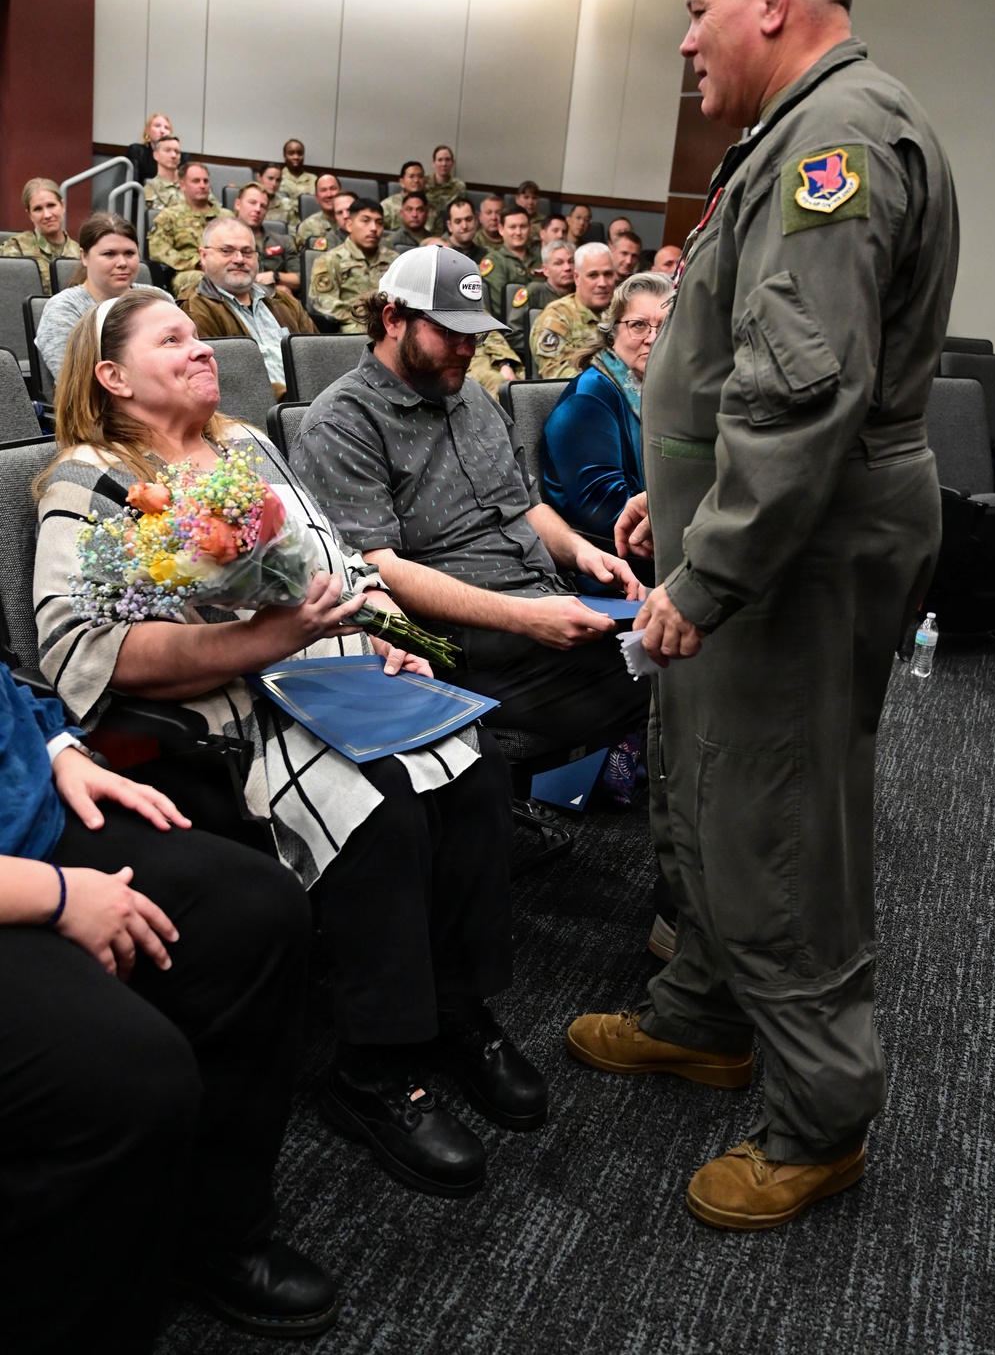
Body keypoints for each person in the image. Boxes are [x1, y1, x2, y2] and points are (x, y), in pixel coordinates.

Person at [566, 0, 959, 1231]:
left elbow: (801, 398)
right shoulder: (793, 133)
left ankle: (820, 1116)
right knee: (711, 780)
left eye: (696, 6)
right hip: (759, 534)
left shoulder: (835, 145)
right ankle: (706, 1012)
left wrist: (710, 563)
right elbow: (738, 367)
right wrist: (667, 500)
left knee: (779, 817)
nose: (685, 37)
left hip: (799, 549)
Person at [34, 288, 546, 1200]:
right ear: (111, 377)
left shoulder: (245, 445)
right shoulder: (93, 477)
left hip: (340, 673)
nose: (204, 351)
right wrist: (257, 641)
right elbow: (82, 649)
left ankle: (458, 1010)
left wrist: (396, 634)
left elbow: (341, 564)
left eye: (200, 336)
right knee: (381, 796)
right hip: (234, 712)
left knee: (478, 765)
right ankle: (375, 1067)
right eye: (175, 339)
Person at [0, 662, 337, 1349]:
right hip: (20, 878)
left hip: (24, 824)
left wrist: (56, 748)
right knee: (128, 1078)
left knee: (255, 912)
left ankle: (213, 1236)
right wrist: (55, 896)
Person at [291, 245, 649, 751]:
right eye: (450, 333)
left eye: (474, 335)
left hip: (545, 600)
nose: (467, 349)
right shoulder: (344, 422)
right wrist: (525, 616)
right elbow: (376, 569)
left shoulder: (469, 394)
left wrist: (585, 553)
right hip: (463, 639)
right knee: (660, 674)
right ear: (393, 319)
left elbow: (527, 505)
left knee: (671, 646)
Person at [541, 272, 670, 572]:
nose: (652, 337)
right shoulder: (589, 398)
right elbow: (606, 513)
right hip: (610, 565)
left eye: (664, 326)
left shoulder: (663, 389)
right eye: (638, 325)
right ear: (612, 333)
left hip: (664, 550)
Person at [182, 217, 316, 395]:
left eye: (247, 252)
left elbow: (317, 357)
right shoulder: (194, 310)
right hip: (259, 413)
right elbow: (229, 383)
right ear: (204, 256)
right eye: (227, 251)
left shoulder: (284, 301)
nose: (239, 259)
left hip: (312, 403)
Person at [35, 211, 146, 379]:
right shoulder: (64, 309)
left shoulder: (157, 299)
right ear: (84, 257)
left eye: (129, 253)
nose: (122, 263)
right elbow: (75, 383)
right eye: (109, 254)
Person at [308, 198, 397, 331]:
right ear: (349, 225)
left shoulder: (395, 260)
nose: (373, 228)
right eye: (365, 221)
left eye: (379, 223)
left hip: (390, 322)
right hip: (353, 324)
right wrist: (362, 316)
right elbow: (322, 300)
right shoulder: (331, 259)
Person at [147, 161, 233, 298]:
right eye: (196, 181)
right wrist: (197, 263)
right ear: (182, 185)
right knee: (202, 281)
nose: (202, 185)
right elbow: (159, 250)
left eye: (205, 181)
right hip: (188, 272)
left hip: (226, 269)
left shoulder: (227, 217)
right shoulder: (169, 216)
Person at [530, 242, 615, 379]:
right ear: (577, 278)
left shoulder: (625, 313)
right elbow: (557, 375)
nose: (602, 283)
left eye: (608, 274)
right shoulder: (557, 316)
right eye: (593, 275)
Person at [1, 178, 81, 294]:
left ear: (62, 206)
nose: (47, 215)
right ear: (29, 214)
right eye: (38, 209)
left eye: (51, 205)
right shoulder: (16, 249)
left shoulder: (81, 253)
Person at [504, 239, 575, 362]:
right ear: (545, 270)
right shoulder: (535, 292)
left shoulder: (583, 294)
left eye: (571, 262)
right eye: (559, 263)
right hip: (540, 359)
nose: (567, 268)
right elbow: (513, 335)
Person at [233, 182, 300, 291]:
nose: (258, 209)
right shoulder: (221, 239)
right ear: (238, 204)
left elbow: (299, 279)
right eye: (252, 203)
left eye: (263, 206)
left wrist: (275, 276)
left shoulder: (282, 241)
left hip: (272, 300)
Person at [480, 205, 539, 318]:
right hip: (509, 326)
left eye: (523, 226)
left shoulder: (540, 260)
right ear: (501, 229)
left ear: (530, 228)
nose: (518, 232)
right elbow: (502, 306)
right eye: (512, 227)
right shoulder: (494, 261)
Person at [127, 112, 189, 191]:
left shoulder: (183, 157)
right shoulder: (137, 151)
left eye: (166, 128)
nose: (162, 131)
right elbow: (133, 185)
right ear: (147, 131)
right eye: (157, 126)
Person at [294, 172, 343, 250]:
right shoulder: (307, 227)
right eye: (323, 190)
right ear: (316, 198)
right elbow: (304, 259)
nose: (329, 194)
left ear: (341, 193)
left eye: (333, 188)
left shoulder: (354, 222)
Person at [425, 145, 466, 232]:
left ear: (453, 162)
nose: (444, 164)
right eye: (440, 160)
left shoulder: (459, 186)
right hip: (426, 230)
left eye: (447, 160)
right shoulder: (424, 183)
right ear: (433, 163)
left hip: (449, 231)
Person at [381, 161, 426, 232]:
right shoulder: (387, 205)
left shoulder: (431, 207)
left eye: (420, 176)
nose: (416, 180)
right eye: (411, 177)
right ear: (402, 182)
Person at [143, 134, 183, 213]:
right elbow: (155, 218)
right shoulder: (151, 187)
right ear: (156, 155)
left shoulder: (194, 182)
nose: (173, 155)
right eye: (167, 150)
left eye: (177, 152)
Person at [443, 196, 487, 265]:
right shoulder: (439, 252)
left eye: (469, 219)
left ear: (476, 220)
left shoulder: (484, 255)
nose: (464, 226)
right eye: (458, 221)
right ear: (449, 226)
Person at [255, 162, 298, 227]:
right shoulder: (249, 201)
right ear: (259, 178)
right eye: (270, 178)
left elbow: (293, 231)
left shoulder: (287, 205)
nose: (274, 184)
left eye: (278, 180)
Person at [278, 138, 316, 211]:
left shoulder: (313, 179)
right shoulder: (277, 177)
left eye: (300, 153)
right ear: (284, 156)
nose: (296, 157)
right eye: (291, 153)